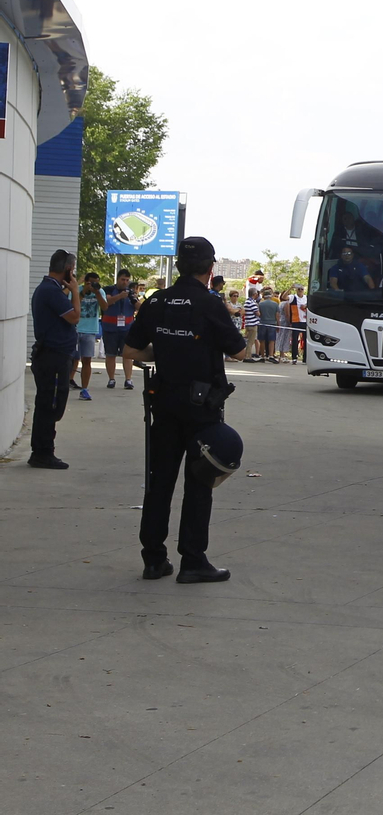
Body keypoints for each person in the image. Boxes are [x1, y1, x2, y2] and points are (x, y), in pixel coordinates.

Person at [121, 235, 247, 583]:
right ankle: (192, 560)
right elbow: (239, 353)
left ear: (178, 266)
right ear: (210, 269)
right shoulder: (209, 304)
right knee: (199, 482)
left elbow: (131, 352)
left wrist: (164, 350)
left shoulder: (156, 301)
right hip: (201, 408)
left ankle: (153, 559)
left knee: (159, 481)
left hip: (163, 404)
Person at [28, 250, 82, 469]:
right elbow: (75, 316)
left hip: (53, 356)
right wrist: (76, 291)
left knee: (49, 403)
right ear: (68, 269)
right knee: (51, 405)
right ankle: (42, 452)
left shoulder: (51, 290)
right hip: (53, 357)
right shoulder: (50, 291)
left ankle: (42, 450)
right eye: (73, 269)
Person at [101, 268, 138, 390]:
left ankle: (128, 379)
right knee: (110, 354)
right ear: (117, 279)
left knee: (127, 355)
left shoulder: (130, 292)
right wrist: (119, 296)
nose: (125, 282)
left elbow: (139, 307)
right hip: (110, 328)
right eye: (123, 279)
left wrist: (134, 298)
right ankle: (111, 379)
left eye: (127, 280)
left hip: (127, 329)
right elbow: (106, 302)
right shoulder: (109, 290)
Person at [74, 271, 106, 400]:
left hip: (90, 330)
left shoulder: (100, 291)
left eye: (95, 282)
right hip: (75, 329)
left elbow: (105, 307)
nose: (93, 285)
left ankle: (84, 389)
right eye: (90, 282)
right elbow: (72, 305)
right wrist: (83, 291)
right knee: (70, 359)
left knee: (87, 360)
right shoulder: (77, 290)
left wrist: (97, 292)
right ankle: (66, 383)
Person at [281, 283, 307, 363]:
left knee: (305, 340)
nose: (300, 291)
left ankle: (305, 358)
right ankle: (294, 357)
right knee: (295, 340)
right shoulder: (293, 297)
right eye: (298, 289)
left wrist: (305, 306)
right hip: (296, 321)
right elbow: (283, 297)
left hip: (305, 321)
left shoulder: (306, 298)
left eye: (301, 289)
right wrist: (290, 288)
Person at [258, 286, 281, 362]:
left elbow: (259, 314)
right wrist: (278, 324)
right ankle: (271, 355)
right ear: (270, 296)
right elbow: (277, 315)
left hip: (263, 323)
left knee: (262, 340)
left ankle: (262, 356)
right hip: (272, 324)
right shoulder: (275, 304)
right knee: (272, 340)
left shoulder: (260, 304)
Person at [242, 287, 261, 361]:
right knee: (251, 341)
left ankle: (247, 355)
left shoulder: (246, 302)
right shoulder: (252, 303)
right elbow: (257, 313)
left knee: (249, 340)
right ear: (254, 294)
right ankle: (247, 356)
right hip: (253, 324)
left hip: (248, 323)